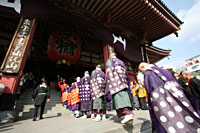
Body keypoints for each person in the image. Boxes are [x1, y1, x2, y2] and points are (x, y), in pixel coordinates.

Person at [138, 62, 200, 133]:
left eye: (140, 71)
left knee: (171, 124)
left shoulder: (149, 73)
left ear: (143, 66)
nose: (141, 73)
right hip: (179, 97)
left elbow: (153, 91)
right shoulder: (164, 70)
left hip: (165, 101)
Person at [105, 52, 133, 124]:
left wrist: (107, 84)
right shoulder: (121, 62)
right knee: (124, 98)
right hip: (123, 82)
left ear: (110, 56)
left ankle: (128, 115)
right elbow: (126, 74)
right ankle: (127, 116)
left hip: (115, 83)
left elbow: (108, 72)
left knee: (120, 100)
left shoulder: (110, 61)